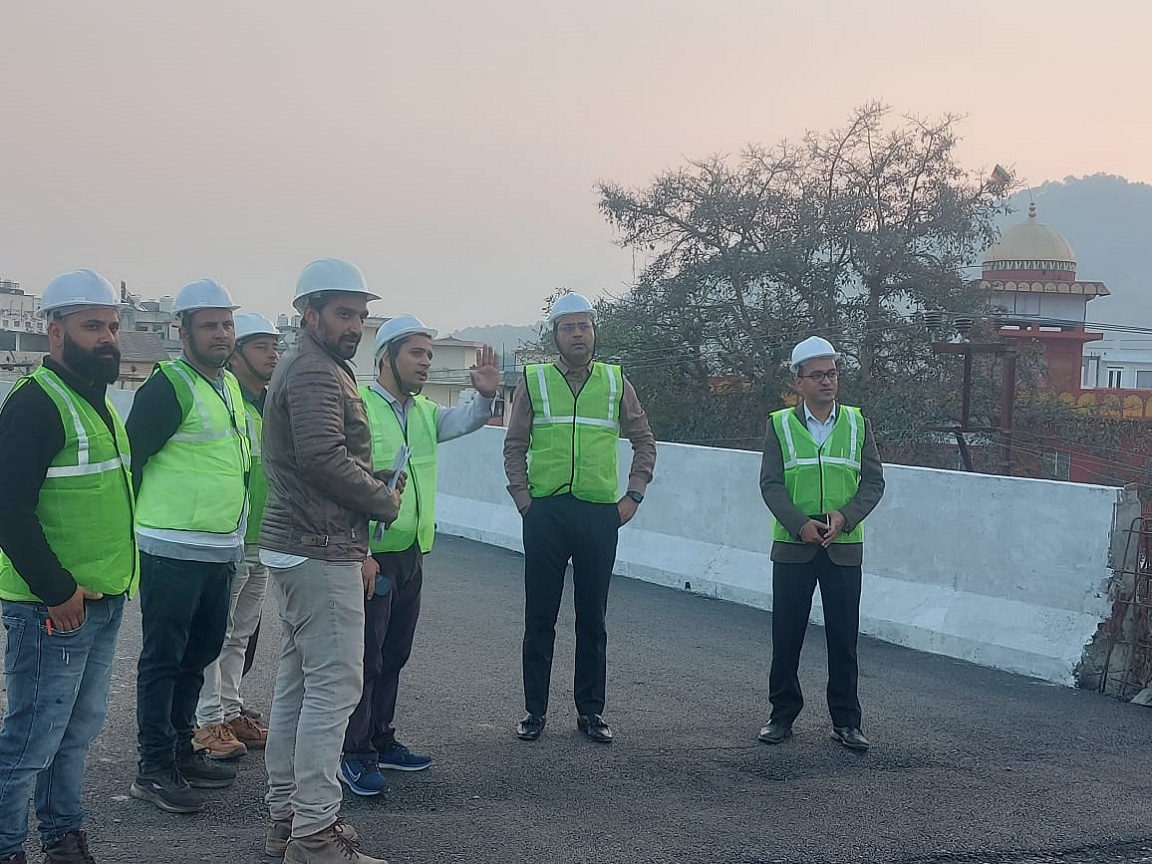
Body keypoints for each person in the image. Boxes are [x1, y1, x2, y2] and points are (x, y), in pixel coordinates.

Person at [260, 258, 401, 864]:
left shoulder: (308, 364)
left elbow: (319, 457)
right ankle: (315, 835)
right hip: (318, 546)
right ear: (309, 313)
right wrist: (382, 499)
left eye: (361, 316)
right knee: (334, 688)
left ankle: (288, 819)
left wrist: (370, 486)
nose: (355, 326)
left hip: (300, 543)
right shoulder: (316, 370)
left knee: (299, 686)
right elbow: (323, 459)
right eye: (344, 313)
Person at [0, 271, 137, 864]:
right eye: (92, 326)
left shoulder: (95, 401)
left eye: (112, 326)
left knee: (75, 733)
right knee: (31, 739)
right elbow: (8, 508)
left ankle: (63, 835)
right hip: (51, 608)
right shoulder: (36, 403)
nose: (107, 338)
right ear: (55, 332)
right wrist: (57, 590)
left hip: (100, 601)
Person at [339, 315, 499, 796]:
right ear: (386, 358)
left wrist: (485, 397)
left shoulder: (425, 412)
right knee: (365, 658)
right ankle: (354, 753)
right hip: (375, 555)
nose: (426, 362)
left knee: (394, 654)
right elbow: (345, 484)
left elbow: (466, 420)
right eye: (416, 353)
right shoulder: (360, 407)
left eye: (429, 354)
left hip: (411, 552)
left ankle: (381, 739)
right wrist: (361, 551)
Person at [503, 292, 657, 744]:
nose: (577, 334)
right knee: (540, 618)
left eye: (584, 326)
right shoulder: (534, 381)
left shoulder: (615, 381)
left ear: (594, 332)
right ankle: (534, 711)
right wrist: (523, 500)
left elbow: (644, 440)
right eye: (568, 327)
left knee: (593, 619)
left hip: (598, 515)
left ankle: (591, 711)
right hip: (545, 513)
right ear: (555, 335)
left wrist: (633, 495)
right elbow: (514, 445)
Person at [126, 279, 251, 813]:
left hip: (219, 549)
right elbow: (131, 462)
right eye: (209, 326)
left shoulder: (228, 385)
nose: (222, 334)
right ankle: (153, 766)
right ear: (183, 332)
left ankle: (181, 749)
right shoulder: (167, 388)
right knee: (164, 659)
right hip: (171, 549)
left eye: (227, 324)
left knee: (198, 655)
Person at [757, 336, 886, 751]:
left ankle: (846, 722)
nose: (827, 381)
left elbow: (873, 483)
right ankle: (781, 716)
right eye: (817, 375)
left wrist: (845, 517)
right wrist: (800, 525)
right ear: (798, 382)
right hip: (794, 545)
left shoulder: (857, 423)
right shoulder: (779, 425)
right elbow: (771, 484)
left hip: (842, 545)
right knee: (787, 635)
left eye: (832, 373)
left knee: (843, 639)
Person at [193, 312, 280, 759]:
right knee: (217, 632)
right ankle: (208, 720)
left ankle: (230, 709)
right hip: (231, 537)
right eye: (262, 346)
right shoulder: (228, 402)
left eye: (275, 346)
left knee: (241, 634)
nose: (273, 355)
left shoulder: (271, 404)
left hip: (264, 538)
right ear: (237, 354)